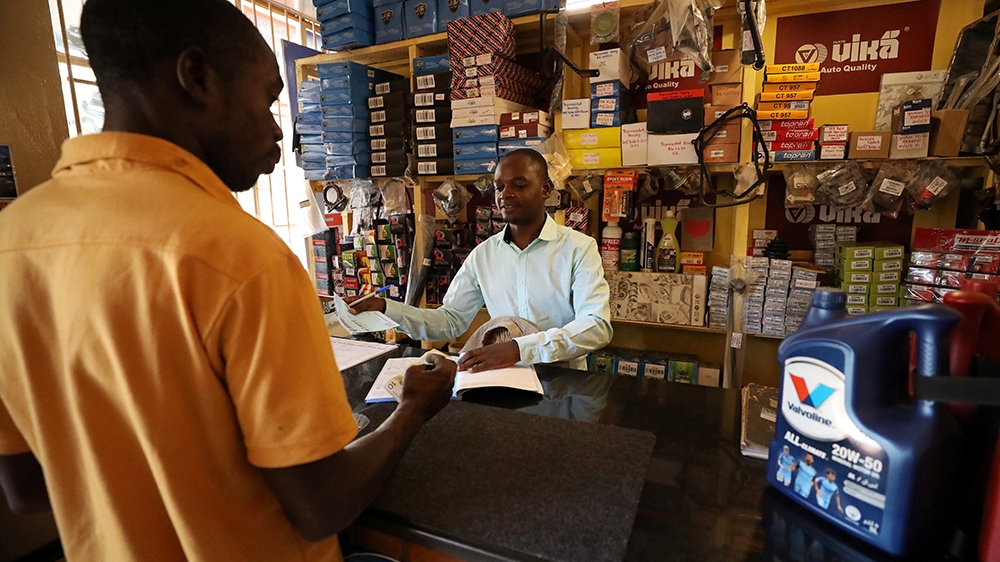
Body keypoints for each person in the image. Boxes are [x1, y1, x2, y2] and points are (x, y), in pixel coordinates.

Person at [0, 1, 456, 561]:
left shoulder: (12, 239)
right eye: (266, 99)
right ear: (197, 78)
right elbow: (323, 504)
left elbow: (25, 488)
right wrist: (412, 411)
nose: (277, 129)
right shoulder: (241, 255)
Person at [350, 149, 613, 372]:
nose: (505, 194)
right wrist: (386, 308)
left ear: (545, 189)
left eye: (519, 185)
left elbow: (597, 327)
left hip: (563, 383)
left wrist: (518, 349)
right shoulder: (483, 255)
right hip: (504, 380)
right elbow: (450, 320)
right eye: (499, 187)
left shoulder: (578, 248)